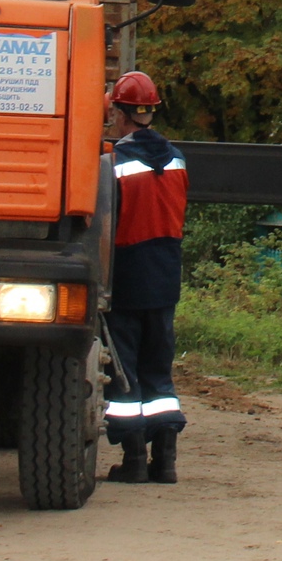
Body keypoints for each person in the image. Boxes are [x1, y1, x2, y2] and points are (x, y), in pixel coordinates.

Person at [103, 70, 188, 484]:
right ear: (150, 113)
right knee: (160, 367)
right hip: (166, 271)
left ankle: (134, 459)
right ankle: (166, 460)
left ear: (120, 113)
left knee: (125, 368)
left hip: (127, 270)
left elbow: (105, 220)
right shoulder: (177, 159)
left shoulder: (112, 163)